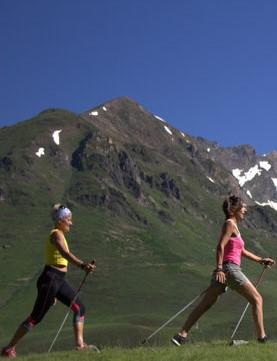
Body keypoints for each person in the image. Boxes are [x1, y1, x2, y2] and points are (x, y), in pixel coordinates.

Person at [171, 195, 275, 346]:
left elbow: (242, 251)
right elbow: (220, 246)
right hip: (229, 269)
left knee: (206, 304)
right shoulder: (230, 224)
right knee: (257, 299)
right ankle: (262, 339)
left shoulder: (234, 226)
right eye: (243, 208)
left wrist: (260, 260)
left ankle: (181, 335)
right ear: (235, 209)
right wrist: (220, 269)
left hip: (225, 270)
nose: (245, 211)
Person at [1, 204, 98, 358]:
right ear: (60, 220)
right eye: (69, 220)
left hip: (58, 280)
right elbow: (64, 253)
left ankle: (80, 345)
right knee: (36, 317)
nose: (71, 223)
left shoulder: (60, 234)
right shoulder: (56, 234)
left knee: (80, 307)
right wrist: (82, 265)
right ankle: (9, 348)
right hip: (51, 278)